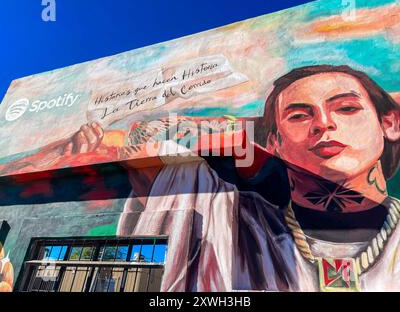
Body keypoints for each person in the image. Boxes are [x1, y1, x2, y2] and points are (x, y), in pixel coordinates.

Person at [2, 65, 400, 292]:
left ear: (389, 123)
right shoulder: (238, 220)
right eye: (299, 115)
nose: (324, 124)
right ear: (275, 142)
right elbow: (147, 143)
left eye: (346, 108)